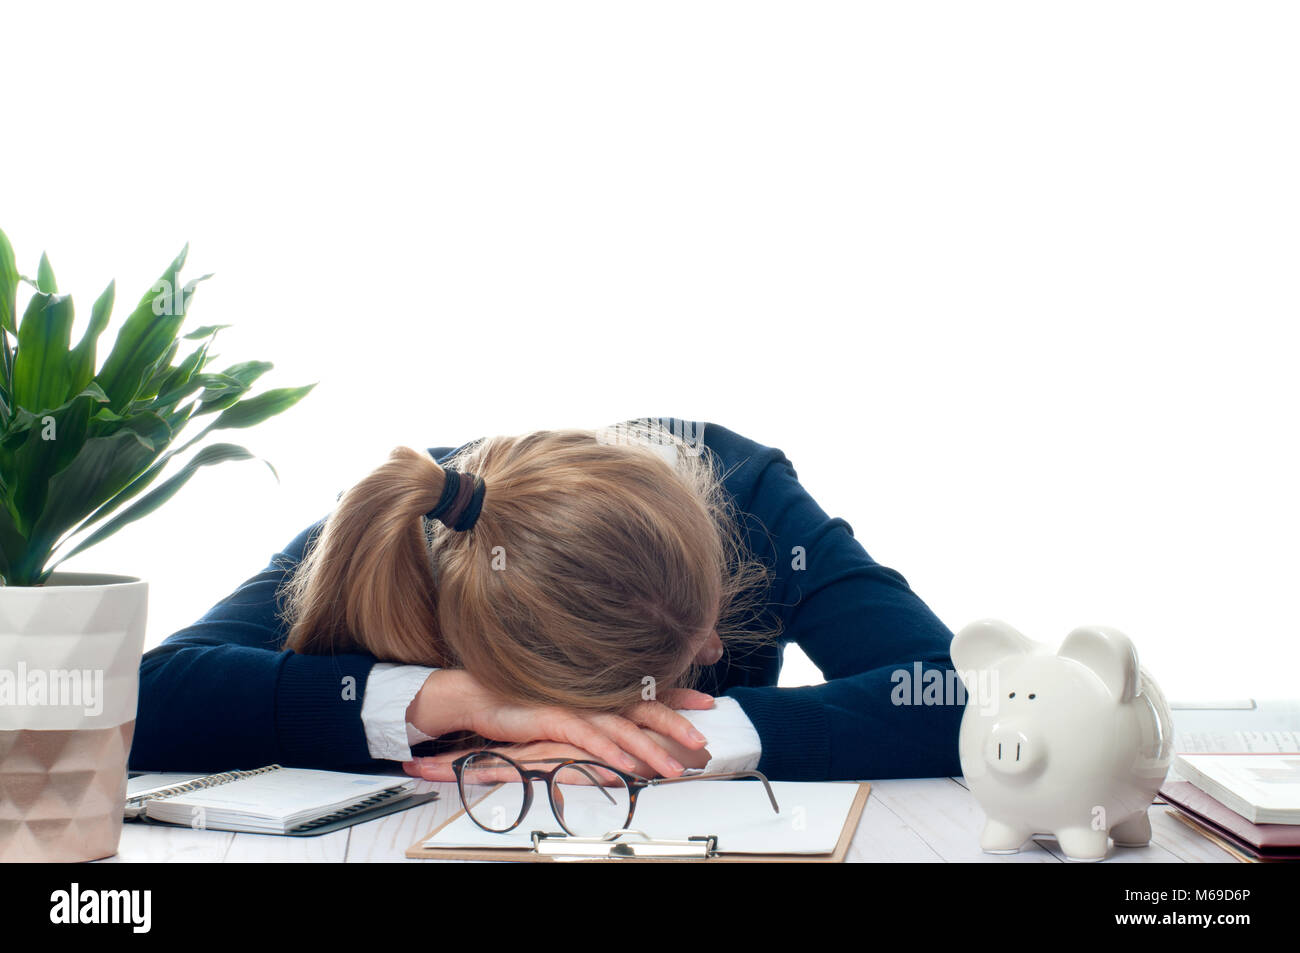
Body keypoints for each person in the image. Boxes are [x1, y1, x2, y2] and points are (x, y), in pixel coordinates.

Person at [129, 417, 963, 783]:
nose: (718, 651)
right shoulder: (414, 513)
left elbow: (968, 691)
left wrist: (694, 735)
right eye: (699, 652)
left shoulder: (743, 490)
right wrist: (452, 700)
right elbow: (140, 697)